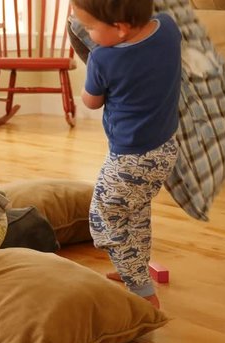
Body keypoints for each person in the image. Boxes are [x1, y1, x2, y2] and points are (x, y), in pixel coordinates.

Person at [70, 0, 181, 309]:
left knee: (104, 218)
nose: (88, 34)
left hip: (128, 160)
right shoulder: (168, 29)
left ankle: (142, 291)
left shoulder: (103, 59)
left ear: (120, 28)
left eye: (91, 27)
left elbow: (92, 102)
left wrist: (90, 75)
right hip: (164, 149)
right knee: (136, 210)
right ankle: (135, 265)